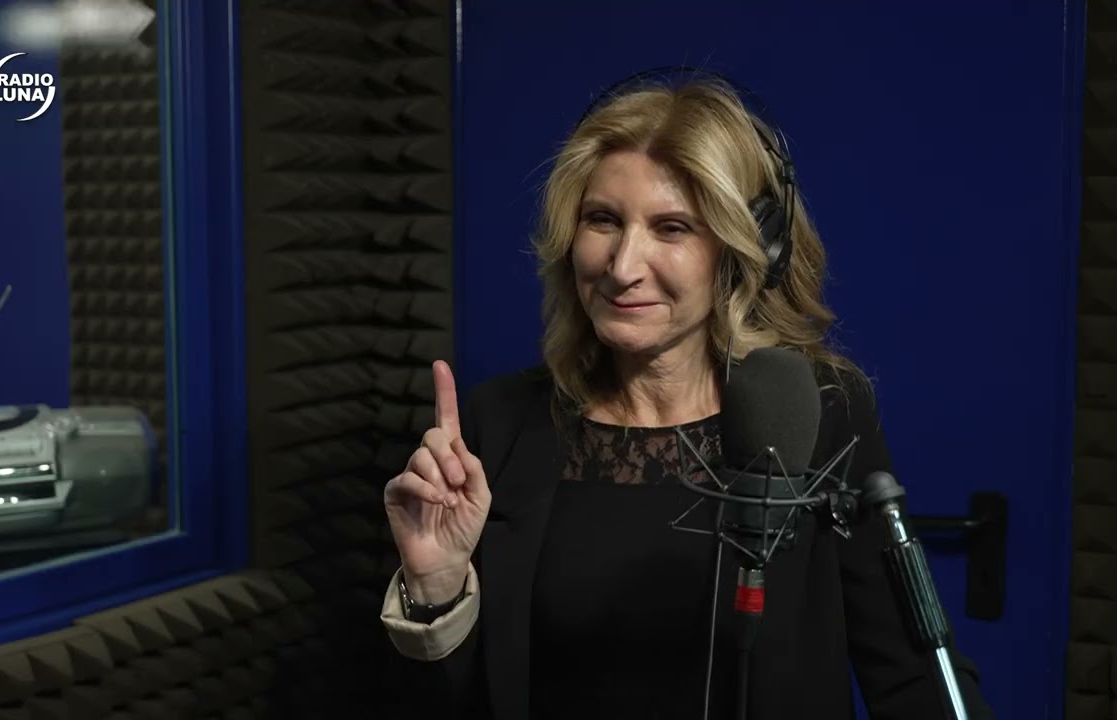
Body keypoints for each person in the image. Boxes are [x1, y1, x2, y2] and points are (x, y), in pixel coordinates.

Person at [379, 70, 994, 719]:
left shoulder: (822, 411)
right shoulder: (499, 425)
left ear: (744, 249)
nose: (622, 266)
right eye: (603, 220)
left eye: (671, 228)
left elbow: (914, 678)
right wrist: (437, 591)